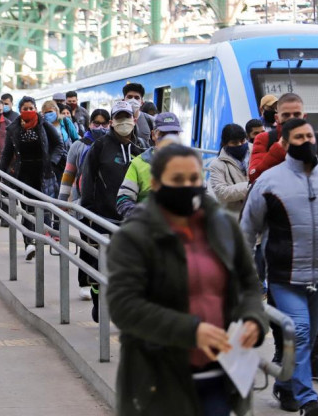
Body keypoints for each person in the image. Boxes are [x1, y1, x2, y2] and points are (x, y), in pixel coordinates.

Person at [107, 143, 267, 416]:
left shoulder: (223, 227)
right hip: (159, 382)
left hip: (219, 376)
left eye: (193, 179)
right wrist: (191, 330)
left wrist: (254, 318)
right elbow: (124, 307)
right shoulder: (134, 237)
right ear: (156, 184)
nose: (187, 186)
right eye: (177, 180)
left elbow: (248, 283)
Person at [241, 118, 318, 414]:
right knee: (299, 331)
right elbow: (247, 229)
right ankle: (307, 399)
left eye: (309, 135)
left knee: (307, 337)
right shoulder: (269, 181)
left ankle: (285, 385)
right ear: (285, 144)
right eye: (299, 137)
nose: (307, 141)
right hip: (285, 277)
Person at [80, 101, 148, 319]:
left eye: (126, 117)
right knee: (100, 264)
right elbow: (87, 179)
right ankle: (98, 299)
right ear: (112, 122)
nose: (123, 122)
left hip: (130, 217)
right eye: (118, 118)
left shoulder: (141, 147)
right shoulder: (99, 147)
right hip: (102, 215)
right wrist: (88, 211)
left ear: (134, 119)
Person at [0, 96, 64, 261]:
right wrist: (1, 173)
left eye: (31, 108)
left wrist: (53, 161)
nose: (28, 111)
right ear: (20, 110)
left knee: (42, 206)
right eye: (25, 108)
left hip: (43, 172)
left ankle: (42, 235)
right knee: (27, 208)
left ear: (35, 109)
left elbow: (58, 145)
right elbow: (7, 153)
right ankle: (29, 243)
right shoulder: (13, 128)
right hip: (23, 172)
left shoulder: (44, 125)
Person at [59, 108, 111, 301]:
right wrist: (62, 202)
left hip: (108, 205)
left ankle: (99, 283)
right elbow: (68, 175)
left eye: (104, 124)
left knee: (103, 246)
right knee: (87, 245)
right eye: (96, 123)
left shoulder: (113, 145)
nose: (100, 127)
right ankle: (85, 282)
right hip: (84, 205)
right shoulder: (78, 146)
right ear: (89, 124)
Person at [116, 112, 183, 219]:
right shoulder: (138, 164)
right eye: (163, 135)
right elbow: (123, 199)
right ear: (153, 135)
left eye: (173, 134)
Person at [248, 92, 305, 183]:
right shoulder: (264, 138)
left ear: (304, 116)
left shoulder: (313, 140)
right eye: (286, 115)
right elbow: (253, 176)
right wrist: (278, 149)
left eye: (296, 114)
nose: (291, 118)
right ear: (277, 117)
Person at [208, 124, 251, 216]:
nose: (240, 145)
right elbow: (221, 193)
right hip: (235, 218)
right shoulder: (217, 165)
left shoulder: (256, 154)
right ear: (225, 143)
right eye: (235, 143)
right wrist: (250, 187)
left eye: (242, 141)